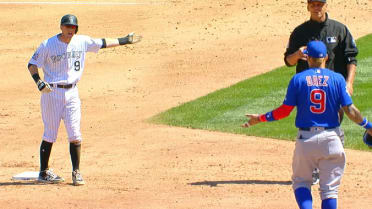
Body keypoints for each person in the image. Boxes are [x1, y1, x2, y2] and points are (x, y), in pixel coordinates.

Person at [242, 40, 372, 209]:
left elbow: (284, 111)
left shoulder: (298, 79)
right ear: (325, 57)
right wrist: (368, 125)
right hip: (332, 140)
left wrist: (260, 118)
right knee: (329, 191)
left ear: (307, 58)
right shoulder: (338, 79)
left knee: (301, 183)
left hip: (306, 140)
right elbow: (350, 110)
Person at [27, 14, 141, 186]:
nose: (70, 30)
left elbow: (102, 43)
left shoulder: (82, 41)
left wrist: (125, 40)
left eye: (73, 27)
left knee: (75, 134)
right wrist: (39, 82)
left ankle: (76, 172)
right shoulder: (48, 45)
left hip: (72, 93)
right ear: (61, 27)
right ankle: (43, 172)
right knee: (50, 134)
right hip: (51, 93)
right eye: (67, 27)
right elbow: (32, 64)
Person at [283, 0, 358, 184]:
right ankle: (318, 167)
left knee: (333, 122)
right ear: (308, 6)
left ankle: (327, 163)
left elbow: (351, 58)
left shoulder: (339, 29)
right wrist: (297, 55)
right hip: (308, 90)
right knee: (314, 124)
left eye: (320, 4)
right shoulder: (300, 32)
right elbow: (288, 61)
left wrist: (349, 82)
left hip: (333, 87)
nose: (317, 7)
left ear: (326, 6)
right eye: (313, 4)